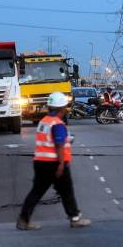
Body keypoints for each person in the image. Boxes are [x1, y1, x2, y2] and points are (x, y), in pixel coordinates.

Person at [17, 92, 91, 230]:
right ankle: (75, 218)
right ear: (61, 108)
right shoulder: (57, 124)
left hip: (40, 161)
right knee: (67, 191)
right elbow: (59, 144)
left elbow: (51, 140)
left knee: (36, 192)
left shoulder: (44, 122)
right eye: (65, 107)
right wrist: (62, 164)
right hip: (54, 163)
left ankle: (23, 220)